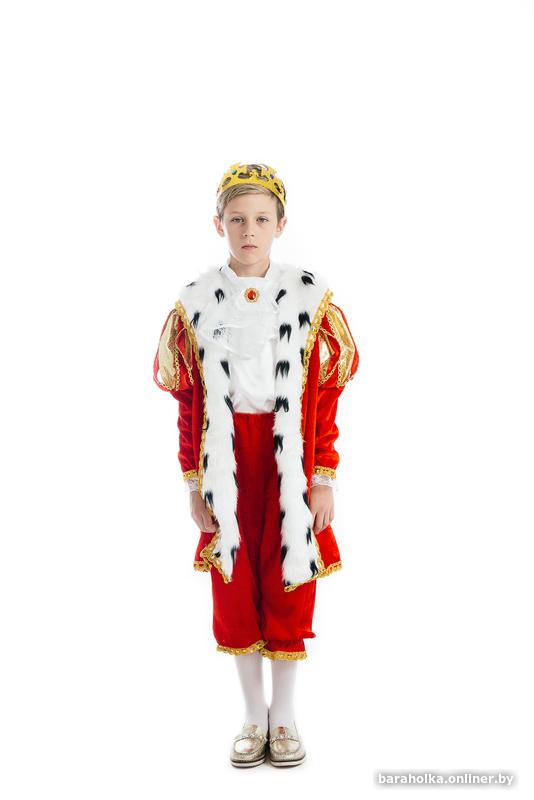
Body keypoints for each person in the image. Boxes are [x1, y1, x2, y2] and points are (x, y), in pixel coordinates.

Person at [153, 162, 360, 767]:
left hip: (286, 457)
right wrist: (194, 483)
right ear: (218, 223)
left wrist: (322, 476)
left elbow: (324, 403)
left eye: (261, 219)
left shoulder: (309, 300)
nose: (249, 231)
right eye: (238, 219)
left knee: (289, 578)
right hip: (229, 461)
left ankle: (285, 716)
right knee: (234, 582)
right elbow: (190, 408)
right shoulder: (195, 305)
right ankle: (251, 715)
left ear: (281, 225)